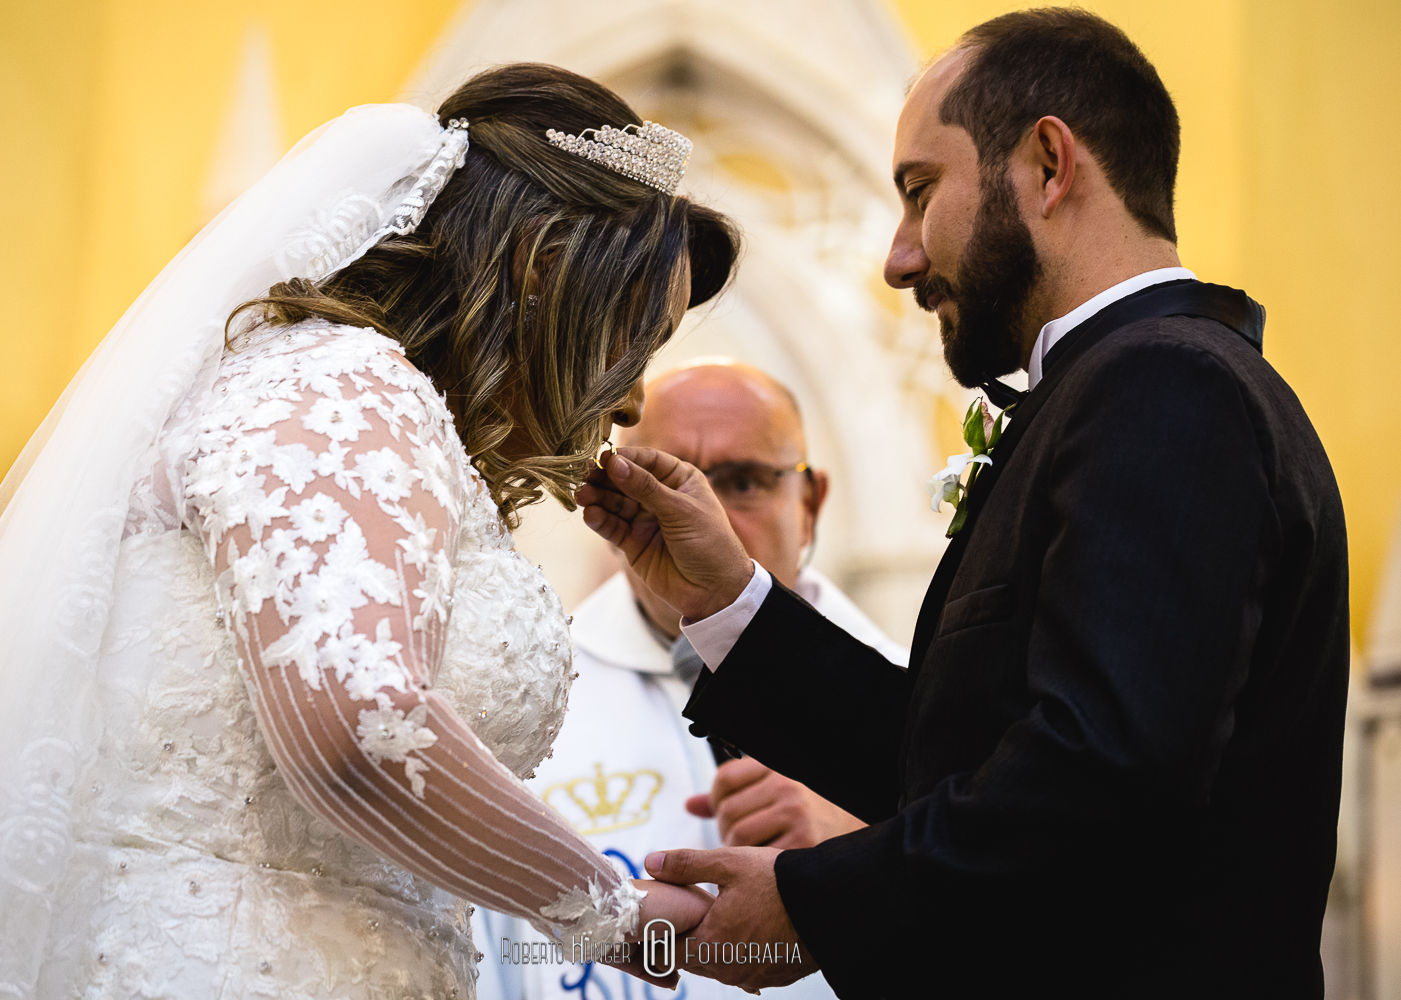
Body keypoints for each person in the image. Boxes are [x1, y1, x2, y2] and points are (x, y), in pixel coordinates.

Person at [0, 64, 740, 997]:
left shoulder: (378, 409)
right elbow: (359, 728)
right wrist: (622, 920)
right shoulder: (339, 389)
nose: (629, 399)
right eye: (636, 339)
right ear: (541, 265)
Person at [578, 10, 1348, 999]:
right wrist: (728, 597)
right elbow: (956, 758)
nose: (900, 256)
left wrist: (815, 904)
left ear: (1048, 164)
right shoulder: (1120, 389)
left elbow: (1102, 778)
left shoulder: (1167, 389)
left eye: (919, 191)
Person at [474, 360, 905, 1000]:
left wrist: (875, 845)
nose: (707, 520)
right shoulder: (523, 705)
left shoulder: (920, 694)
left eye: (742, 482)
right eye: (662, 485)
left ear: (810, 504)